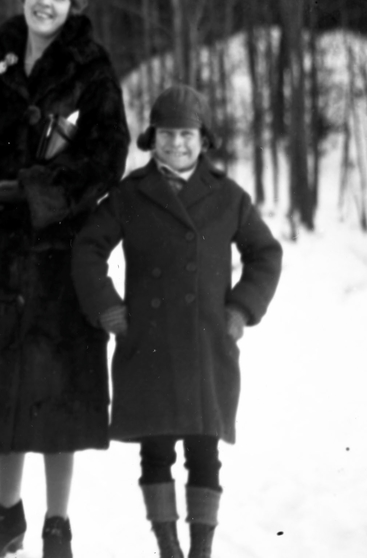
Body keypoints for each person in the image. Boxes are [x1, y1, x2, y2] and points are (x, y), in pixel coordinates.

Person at [0, 0, 131, 558]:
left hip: (59, 253)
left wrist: (41, 190)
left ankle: (57, 523)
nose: (46, 2)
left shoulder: (92, 68)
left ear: (74, 6)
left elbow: (108, 154)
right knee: (3, 390)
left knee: (60, 393)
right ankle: (6, 517)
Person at [71, 85, 282, 558]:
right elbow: (87, 249)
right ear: (152, 138)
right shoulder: (129, 194)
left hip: (208, 344)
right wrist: (108, 308)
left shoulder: (228, 196)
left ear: (203, 139)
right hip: (149, 343)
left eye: (186, 135)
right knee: (156, 451)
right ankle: (168, 548)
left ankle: (201, 550)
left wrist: (240, 310)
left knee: (205, 452)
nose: (177, 144)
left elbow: (266, 254)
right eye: (167, 134)